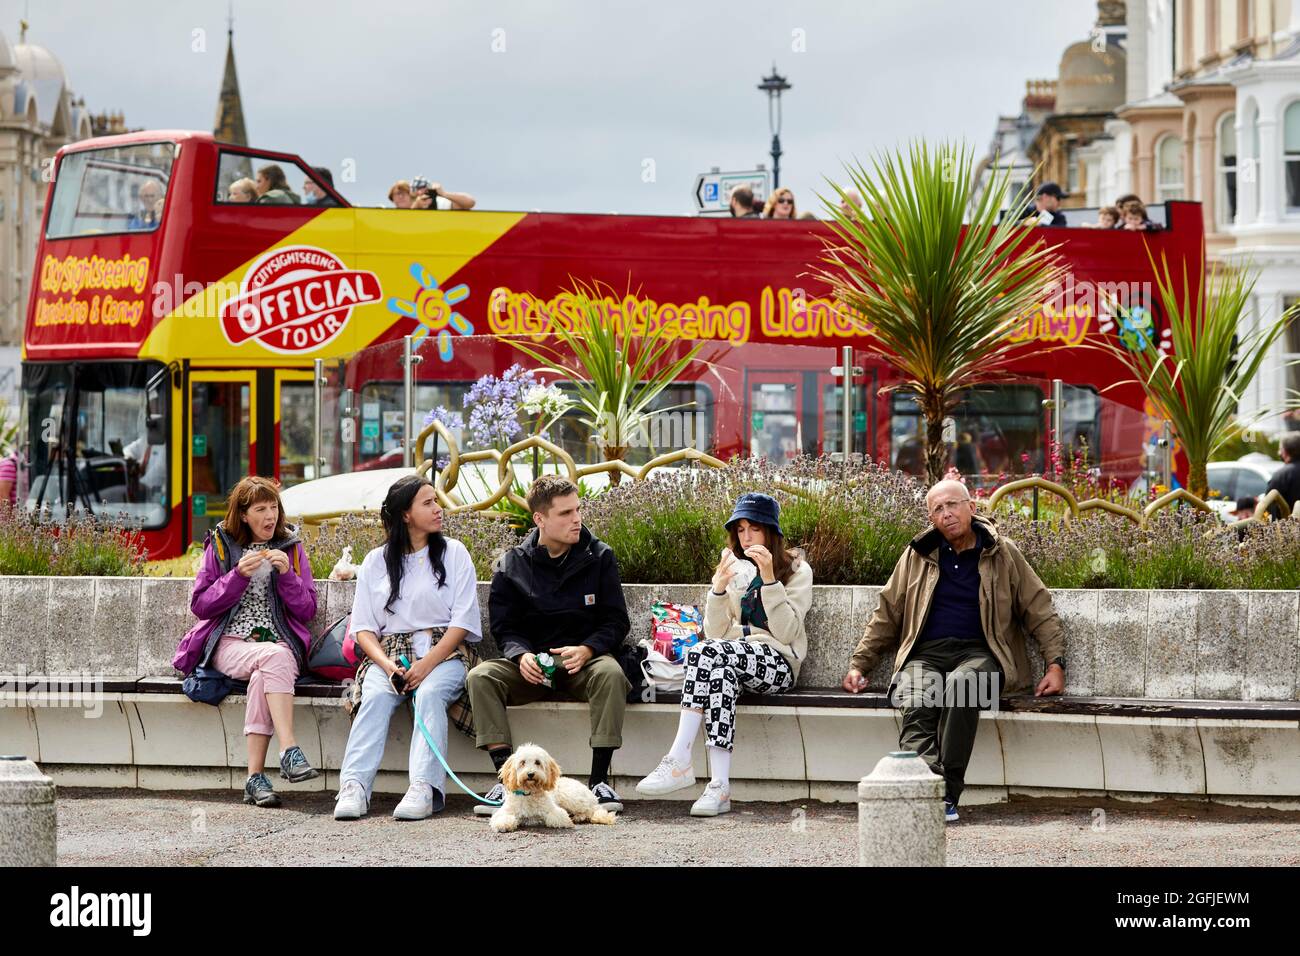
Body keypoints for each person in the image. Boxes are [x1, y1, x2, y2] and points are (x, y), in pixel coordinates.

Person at [841, 479, 1065, 823]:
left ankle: (945, 793)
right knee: (916, 699)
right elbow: (887, 612)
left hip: (981, 654)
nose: (947, 514)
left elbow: (1039, 608)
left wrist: (1055, 663)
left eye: (953, 505)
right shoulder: (917, 555)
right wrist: (860, 663)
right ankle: (927, 789)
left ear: (971, 507)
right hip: (926, 654)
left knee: (964, 688)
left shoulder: (1002, 553)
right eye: (938, 509)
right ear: (931, 517)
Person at [635, 493, 812, 816]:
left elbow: (786, 632)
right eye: (740, 529)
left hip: (778, 664)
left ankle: (679, 757)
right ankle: (719, 787)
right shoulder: (737, 568)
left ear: (770, 532)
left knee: (705, 653)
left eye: (754, 529)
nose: (746, 537)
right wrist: (718, 589)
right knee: (718, 675)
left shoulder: (798, 571)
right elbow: (716, 634)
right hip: (731, 660)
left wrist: (770, 579)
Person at [466, 474, 631, 816]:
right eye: (566, 513)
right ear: (540, 519)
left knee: (611, 673)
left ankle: (599, 781)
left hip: (582, 664)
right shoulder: (511, 564)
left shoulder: (600, 556)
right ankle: (506, 781)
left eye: (578, 510)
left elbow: (616, 621)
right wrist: (521, 655)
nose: (577, 519)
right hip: (530, 668)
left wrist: (587, 649)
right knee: (481, 677)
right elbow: (504, 628)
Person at [334, 475, 484, 821]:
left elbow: (462, 623)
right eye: (428, 503)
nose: (438, 509)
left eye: (436, 501)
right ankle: (354, 786)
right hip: (391, 655)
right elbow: (364, 630)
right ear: (405, 514)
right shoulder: (376, 561)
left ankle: (423, 788)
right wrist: (388, 666)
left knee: (429, 692)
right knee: (374, 695)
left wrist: (426, 665)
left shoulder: (454, 553)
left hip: (444, 651)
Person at [171, 476, 319, 808]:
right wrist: (237, 576)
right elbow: (201, 605)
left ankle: (254, 778)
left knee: (263, 675)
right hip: (231, 645)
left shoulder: (291, 548)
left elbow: (308, 609)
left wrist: (288, 577)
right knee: (273, 660)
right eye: (261, 509)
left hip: (278, 647)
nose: (270, 516)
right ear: (244, 514)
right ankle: (289, 750)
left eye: (274, 508)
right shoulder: (221, 545)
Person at [1265, 432, 1300, 519]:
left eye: (1280, 449)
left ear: (1284, 451)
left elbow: (1270, 508)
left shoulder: (1281, 475)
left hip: (1291, 530)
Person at [409, 175, 476, 210]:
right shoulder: (408, 204)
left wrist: (444, 194)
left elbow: (470, 203)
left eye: (424, 188)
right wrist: (416, 205)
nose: (421, 192)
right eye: (417, 189)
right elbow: (407, 222)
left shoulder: (441, 202)